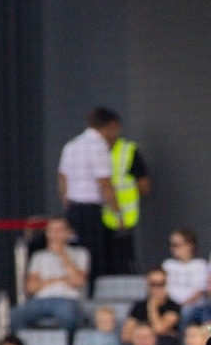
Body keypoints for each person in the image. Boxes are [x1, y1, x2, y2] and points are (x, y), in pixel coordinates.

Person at [56, 107, 117, 266]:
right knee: (93, 257)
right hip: (90, 211)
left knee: (75, 253)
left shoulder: (72, 145)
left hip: (73, 208)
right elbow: (104, 182)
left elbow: (62, 177)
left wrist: (67, 202)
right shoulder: (99, 146)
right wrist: (117, 212)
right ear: (111, 125)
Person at [12, 215, 90, 333]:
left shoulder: (80, 253)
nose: (55, 234)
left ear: (68, 233)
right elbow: (30, 287)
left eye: (59, 230)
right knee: (15, 315)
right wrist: (60, 280)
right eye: (51, 230)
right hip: (40, 301)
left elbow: (79, 281)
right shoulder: (39, 256)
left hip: (67, 300)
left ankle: (67, 344)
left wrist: (62, 255)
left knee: (67, 315)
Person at [94, 110, 148, 277]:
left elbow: (144, 186)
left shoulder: (128, 150)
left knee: (121, 265)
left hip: (121, 218)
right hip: (98, 217)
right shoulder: (93, 150)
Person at [124, 269, 183, 345]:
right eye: (153, 284)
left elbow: (158, 328)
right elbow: (126, 335)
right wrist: (165, 332)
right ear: (148, 285)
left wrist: (152, 306)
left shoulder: (173, 306)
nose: (157, 288)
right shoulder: (138, 306)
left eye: (161, 284)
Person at [162, 229, 210, 307]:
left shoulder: (201, 265)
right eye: (170, 245)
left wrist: (183, 306)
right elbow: (162, 287)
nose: (172, 248)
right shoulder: (167, 265)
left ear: (189, 245)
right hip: (170, 305)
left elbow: (201, 290)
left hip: (194, 306)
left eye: (176, 245)